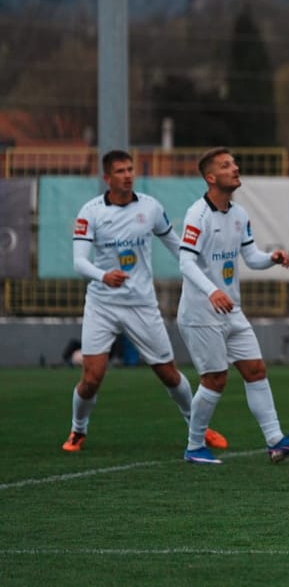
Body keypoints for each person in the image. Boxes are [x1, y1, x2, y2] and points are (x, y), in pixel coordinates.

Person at [62, 149, 227, 454]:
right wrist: (103, 276)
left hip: (141, 304)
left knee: (169, 374)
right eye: (120, 171)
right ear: (107, 177)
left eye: (130, 169)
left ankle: (198, 427)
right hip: (102, 305)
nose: (127, 175)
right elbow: (79, 262)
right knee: (92, 378)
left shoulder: (150, 207)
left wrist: (202, 271)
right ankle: (78, 430)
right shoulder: (91, 212)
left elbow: (176, 244)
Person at [176, 147, 289, 465]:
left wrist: (271, 258)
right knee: (215, 379)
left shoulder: (239, 214)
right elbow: (185, 261)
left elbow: (251, 257)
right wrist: (212, 291)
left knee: (255, 370)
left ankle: (276, 441)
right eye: (226, 165)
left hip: (231, 310)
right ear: (211, 177)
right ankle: (194, 447)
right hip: (201, 313)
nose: (235, 168)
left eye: (234, 163)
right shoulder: (198, 215)